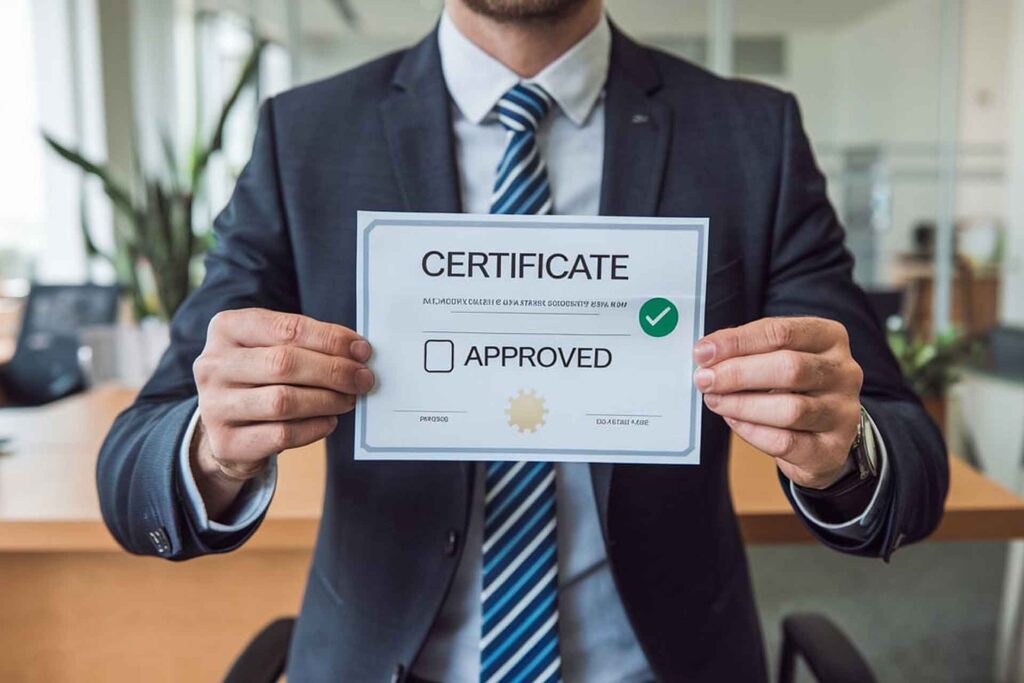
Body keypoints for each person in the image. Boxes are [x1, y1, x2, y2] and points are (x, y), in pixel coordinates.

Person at [96, 0, 949, 680]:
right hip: (377, 658)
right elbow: (136, 462)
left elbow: (907, 458)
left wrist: (845, 448)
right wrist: (211, 446)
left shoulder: (750, 136)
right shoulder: (307, 137)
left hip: (664, 661)